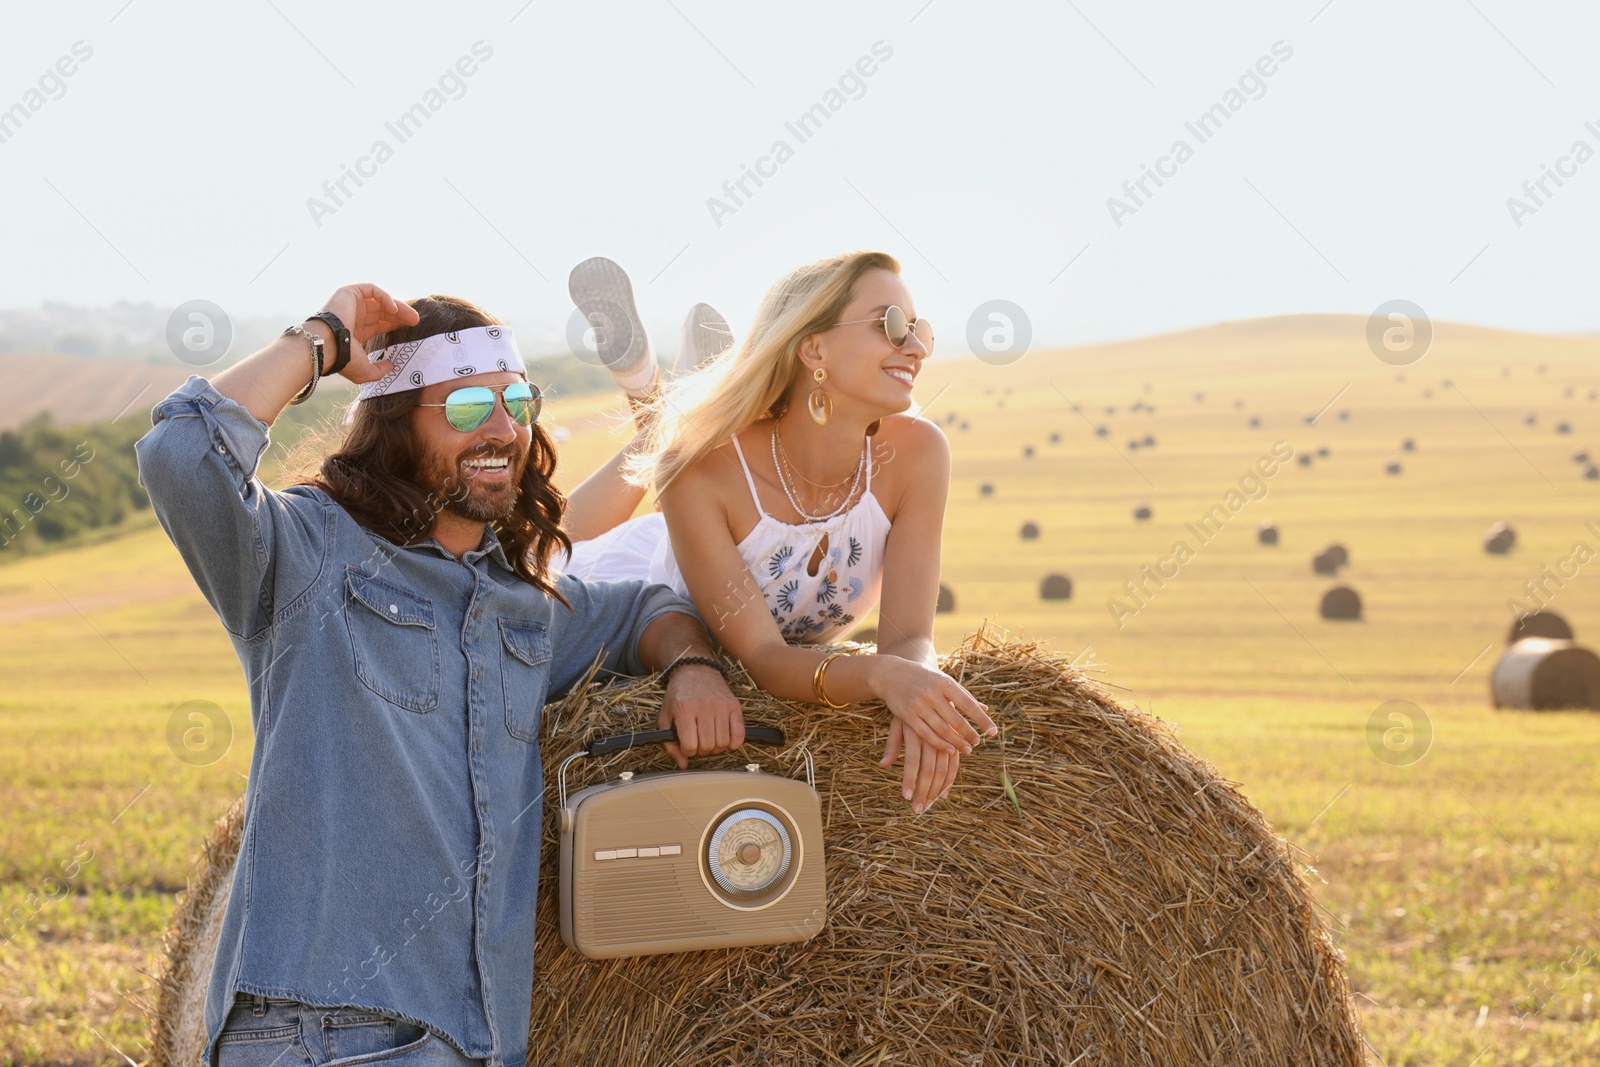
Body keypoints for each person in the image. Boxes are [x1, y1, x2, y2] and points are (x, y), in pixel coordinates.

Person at [134, 284, 743, 1067]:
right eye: (463, 409)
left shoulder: (518, 605)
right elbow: (183, 456)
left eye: (516, 402)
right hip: (323, 1033)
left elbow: (642, 610)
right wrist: (319, 339)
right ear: (395, 425)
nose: (500, 429)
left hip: (472, 1041)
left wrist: (692, 663)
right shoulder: (310, 553)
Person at [558, 251, 998, 816]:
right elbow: (764, 658)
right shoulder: (704, 473)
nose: (914, 348)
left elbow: (909, 635)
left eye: (920, 331)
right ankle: (649, 390)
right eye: (890, 326)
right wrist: (881, 676)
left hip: (713, 538)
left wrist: (921, 694)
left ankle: (674, 396)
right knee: (542, 548)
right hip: (636, 586)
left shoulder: (918, 453)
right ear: (813, 348)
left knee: (678, 447)